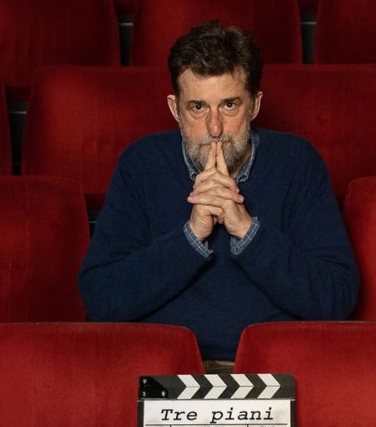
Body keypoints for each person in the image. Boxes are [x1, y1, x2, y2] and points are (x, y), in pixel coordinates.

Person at [77, 20, 358, 361]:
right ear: (175, 109)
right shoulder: (142, 164)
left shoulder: (297, 162)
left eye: (229, 105)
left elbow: (336, 299)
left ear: (254, 105)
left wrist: (247, 231)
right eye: (197, 107)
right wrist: (191, 237)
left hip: (271, 370)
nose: (214, 128)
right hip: (167, 372)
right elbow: (101, 298)